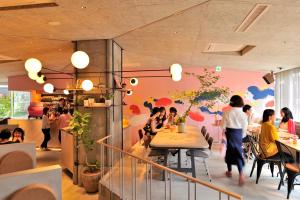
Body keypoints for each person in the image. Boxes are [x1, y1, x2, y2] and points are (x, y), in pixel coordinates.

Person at [222, 95, 248, 186]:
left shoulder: (226, 112)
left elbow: (223, 127)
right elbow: (245, 129)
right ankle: (241, 174)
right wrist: (241, 137)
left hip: (229, 134)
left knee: (229, 152)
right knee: (238, 153)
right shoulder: (244, 114)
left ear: (231, 102)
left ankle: (229, 172)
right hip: (238, 135)